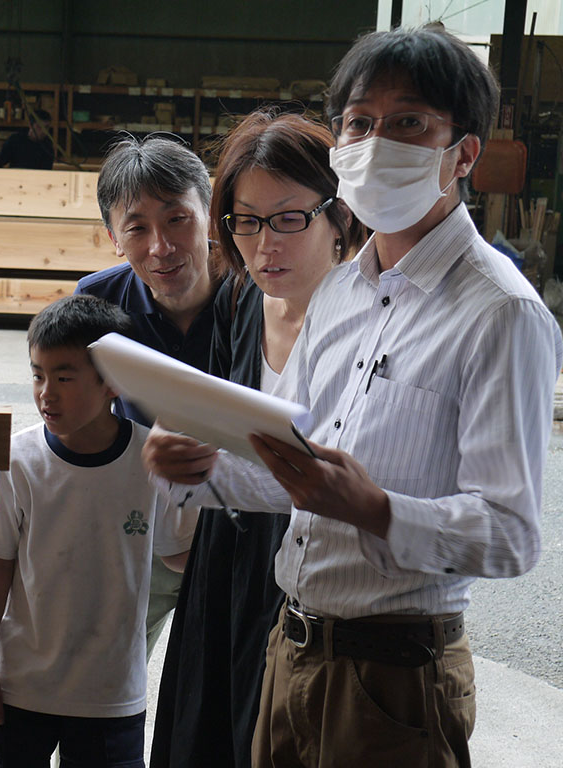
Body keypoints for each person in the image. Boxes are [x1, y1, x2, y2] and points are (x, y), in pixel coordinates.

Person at [143, 26, 563, 768]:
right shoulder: (341, 293)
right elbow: (292, 469)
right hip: (292, 647)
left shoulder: (500, 314)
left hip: (394, 676)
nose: (375, 142)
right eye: (359, 122)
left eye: (409, 123)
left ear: (462, 153)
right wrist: (204, 465)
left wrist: (373, 508)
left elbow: (511, 534)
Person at [150, 109, 366, 768]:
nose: (264, 243)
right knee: (203, 734)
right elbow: (218, 417)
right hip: (225, 561)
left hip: (309, 575)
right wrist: (179, 446)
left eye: (288, 218)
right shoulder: (238, 301)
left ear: (340, 216)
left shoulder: (368, 319)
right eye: (245, 221)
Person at [0, 294, 197, 767]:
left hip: (110, 693)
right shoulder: (17, 459)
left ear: (113, 383)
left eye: (65, 377)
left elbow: (178, 557)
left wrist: (202, 490)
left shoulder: (153, 459)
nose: (47, 392)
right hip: (23, 686)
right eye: (37, 374)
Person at [76, 135, 218, 655]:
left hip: (240, 529)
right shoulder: (98, 301)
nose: (161, 247)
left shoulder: (257, 296)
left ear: (210, 213)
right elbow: (77, 427)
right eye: (137, 227)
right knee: (105, 667)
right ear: (114, 237)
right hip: (142, 525)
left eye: (177, 218)